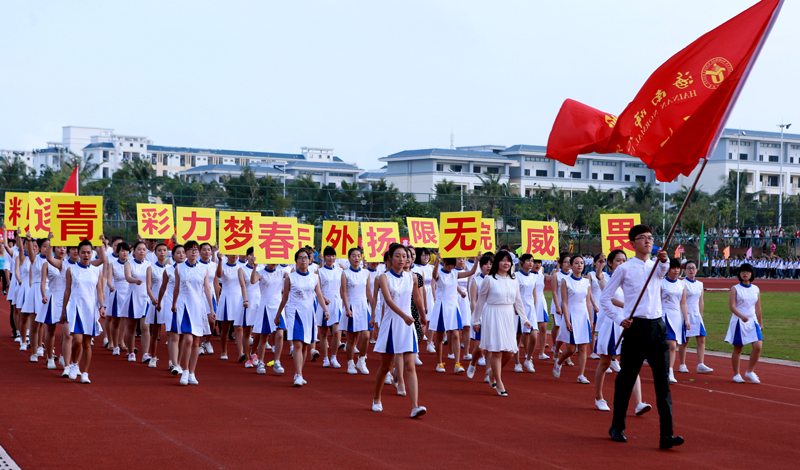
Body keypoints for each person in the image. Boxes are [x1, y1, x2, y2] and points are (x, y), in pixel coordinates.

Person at [601, 225, 683, 450]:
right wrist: (620, 319)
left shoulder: (657, 265)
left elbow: (663, 270)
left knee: (662, 383)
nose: (648, 241)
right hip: (635, 328)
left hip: (657, 327)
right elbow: (605, 299)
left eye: (650, 238)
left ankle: (666, 435)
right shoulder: (624, 269)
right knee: (626, 379)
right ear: (632, 243)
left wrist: (664, 259)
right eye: (642, 238)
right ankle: (617, 426)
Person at [593, 249, 651, 415]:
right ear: (610, 264)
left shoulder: (631, 281)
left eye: (624, 260)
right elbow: (608, 297)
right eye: (618, 260)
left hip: (629, 326)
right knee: (604, 364)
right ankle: (599, 397)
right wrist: (627, 307)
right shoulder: (607, 280)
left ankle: (639, 402)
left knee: (633, 364)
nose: (622, 263)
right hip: (612, 325)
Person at [372, 243, 427, 417]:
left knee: (410, 365)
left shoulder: (412, 277)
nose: (402, 259)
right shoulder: (384, 277)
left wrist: (422, 314)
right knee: (386, 366)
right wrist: (404, 316)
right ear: (390, 258)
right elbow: (388, 300)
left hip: (408, 324)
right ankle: (377, 398)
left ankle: (415, 406)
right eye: (398, 256)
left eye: (405, 256)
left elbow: (417, 298)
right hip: (392, 324)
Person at [472, 250, 530, 396]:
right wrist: (476, 320)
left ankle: (492, 372)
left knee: (510, 352)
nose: (506, 263)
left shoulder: (514, 279)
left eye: (508, 260)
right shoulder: (489, 279)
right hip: (492, 314)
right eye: (503, 260)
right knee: (496, 352)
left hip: (509, 315)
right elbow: (480, 301)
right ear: (497, 262)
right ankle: (499, 382)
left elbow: (518, 300)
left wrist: (525, 319)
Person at [275, 248, 329, 387]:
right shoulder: (290, 278)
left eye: (305, 257)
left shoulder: (314, 277)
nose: (303, 260)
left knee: (305, 346)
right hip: (295, 312)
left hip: (309, 313)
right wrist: (278, 314)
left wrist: (325, 310)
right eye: (300, 258)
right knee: (298, 344)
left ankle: (299, 373)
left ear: (310, 259)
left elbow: (319, 295)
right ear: (296, 261)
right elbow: (285, 298)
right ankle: (298, 374)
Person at [61, 240, 107, 383]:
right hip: (75, 308)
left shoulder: (96, 271)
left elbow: (99, 291)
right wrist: (63, 311)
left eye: (89, 252)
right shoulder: (71, 270)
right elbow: (67, 291)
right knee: (77, 340)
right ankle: (74, 364)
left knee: (87, 343)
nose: (86, 255)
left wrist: (102, 306)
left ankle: (85, 372)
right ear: (78, 253)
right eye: (83, 252)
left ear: (92, 253)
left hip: (90, 309)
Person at [172, 240, 216, 385]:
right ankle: (184, 370)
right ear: (185, 252)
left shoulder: (204, 268)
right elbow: (177, 288)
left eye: (196, 250)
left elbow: (207, 289)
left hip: (199, 305)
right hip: (184, 304)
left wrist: (211, 308)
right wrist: (173, 304)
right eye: (190, 250)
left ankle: (192, 373)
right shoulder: (179, 267)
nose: (194, 252)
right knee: (188, 339)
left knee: (196, 341)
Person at [430, 256, 478, 373]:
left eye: (452, 264)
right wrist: (437, 261)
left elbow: (471, 272)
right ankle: (439, 363)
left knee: (456, 335)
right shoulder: (439, 273)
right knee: (440, 336)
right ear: (444, 262)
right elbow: (434, 275)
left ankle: (457, 363)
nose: (450, 266)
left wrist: (477, 260)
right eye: (448, 264)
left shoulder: (455, 273)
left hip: (453, 306)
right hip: (442, 306)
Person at [553, 255, 595, 384]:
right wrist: (566, 320)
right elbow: (564, 302)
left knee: (583, 348)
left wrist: (591, 319)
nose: (579, 265)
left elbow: (588, 302)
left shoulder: (586, 281)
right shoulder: (566, 281)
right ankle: (559, 362)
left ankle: (581, 375)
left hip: (583, 316)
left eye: (581, 263)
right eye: (576, 263)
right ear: (571, 265)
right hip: (571, 314)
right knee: (571, 348)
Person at [725, 263, 763, 384]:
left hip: (753, 321)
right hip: (739, 321)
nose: (745, 274)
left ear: (752, 274)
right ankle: (736, 374)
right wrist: (741, 316)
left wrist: (760, 323)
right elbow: (732, 306)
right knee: (738, 348)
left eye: (747, 272)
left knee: (758, 346)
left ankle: (750, 371)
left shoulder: (756, 289)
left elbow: (758, 308)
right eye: (742, 272)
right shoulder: (735, 289)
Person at [122, 241, 156, 363]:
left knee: (145, 327)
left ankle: (146, 353)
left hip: (145, 298)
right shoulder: (128, 264)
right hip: (133, 297)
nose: (142, 251)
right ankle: (131, 352)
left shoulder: (149, 264)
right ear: (134, 251)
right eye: (139, 249)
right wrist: (135, 281)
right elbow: (127, 277)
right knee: (131, 328)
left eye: (144, 249)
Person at [250, 261, 286, 374]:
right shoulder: (260, 273)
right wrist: (255, 266)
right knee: (264, 337)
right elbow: (252, 281)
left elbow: (295, 275)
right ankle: (260, 362)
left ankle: (277, 361)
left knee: (280, 335)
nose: (274, 262)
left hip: (278, 307)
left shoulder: (281, 272)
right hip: (265, 306)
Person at [341, 247, 373, 374]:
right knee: (351, 338)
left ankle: (361, 360)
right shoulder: (345, 273)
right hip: (352, 306)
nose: (356, 258)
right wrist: (347, 308)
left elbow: (368, 292)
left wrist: (373, 308)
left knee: (366, 336)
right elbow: (343, 293)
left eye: (358, 255)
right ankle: (350, 363)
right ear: (349, 258)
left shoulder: (366, 273)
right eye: (353, 256)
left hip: (364, 307)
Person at [677, 260, 713, 374]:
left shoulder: (700, 284)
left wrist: (701, 314)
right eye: (689, 268)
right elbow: (680, 301)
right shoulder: (681, 283)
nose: (691, 270)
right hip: (686, 314)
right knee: (685, 340)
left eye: (693, 268)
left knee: (701, 339)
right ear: (685, 270)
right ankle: (682, 364)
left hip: (697, 314)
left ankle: (701, 364)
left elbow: (701, 301)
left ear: (697, 269)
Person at [156, 244, 185, 375]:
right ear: (172, 255)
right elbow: (163, 287)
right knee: (173, 334)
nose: (181, 255)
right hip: (171, 304)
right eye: (178, 253)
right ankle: (175, 364)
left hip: (186, 304)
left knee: (183, 336)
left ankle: (176, 362)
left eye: (183, 252)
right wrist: (159, 302)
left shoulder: (191, 270)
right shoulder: (168, 270)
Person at [661, 258, 689, 384]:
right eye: (673, 268)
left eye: (678, 268)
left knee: (674, 345)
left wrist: (686, 320)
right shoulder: (661, 283)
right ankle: (667, 370)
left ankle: (669, 370)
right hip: (663, 315)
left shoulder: (682, 284)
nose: (676, 270)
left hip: (676, 316)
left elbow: (683, 303)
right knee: (670, 344)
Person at [316, 246, 344, 369]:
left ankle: (334, 357)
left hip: (337, 303)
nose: (331, 258)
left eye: (333, 256)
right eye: (328, 256)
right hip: (323, 303)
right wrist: (323, 298)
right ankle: (325, 358)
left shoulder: (340, 271)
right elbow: (317, 289)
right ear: (324, 257)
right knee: (323, 332)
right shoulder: (319, 271)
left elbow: (343, 289)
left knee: (337, 331)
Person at [466, 253, 493, 378]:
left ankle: (488, 373)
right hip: (481, 316)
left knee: (491, 347)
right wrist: (476, 318)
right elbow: (473, 301)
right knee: (479, 348)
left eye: (491, 264)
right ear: (481, 266)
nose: (488, 266)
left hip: (493, 315)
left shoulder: (495, 280)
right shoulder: (476, 280)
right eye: (486, 264)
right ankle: (473, 363)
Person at [215, 252, 245, 361]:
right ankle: (223, 351)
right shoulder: (222, 266)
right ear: (227, 255)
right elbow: (218, 275)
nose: (235, 255)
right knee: (225, 328)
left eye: (236, 253)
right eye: (232, 253)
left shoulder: (241, 267)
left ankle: (241, 352)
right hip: (227, 298)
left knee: (239, 327)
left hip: (239, 298)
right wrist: (220, 260)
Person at [145, 243, 169, 368]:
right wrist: (152, 298)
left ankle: (173, 361)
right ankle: (153, 357)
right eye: (159, 250)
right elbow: (148, 287)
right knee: (155, 332)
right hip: (155, 300)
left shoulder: (171, 268)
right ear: (155, 253)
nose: (162, 253)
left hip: (168, 301)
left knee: (171, 333)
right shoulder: (151, 268)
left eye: (164, 250)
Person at [105, 242, 130, 356]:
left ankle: (122, 340)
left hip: (129, 293)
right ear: (118, 252)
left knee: (126, 320)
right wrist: (110, 286)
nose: (124, 253)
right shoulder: (113, 264)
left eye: (126, 250)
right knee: (116, 321)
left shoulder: (131, 264)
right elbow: (109, 279)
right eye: (122, 250)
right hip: (117, 292)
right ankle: (115, 345)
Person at [238, 247, 261, 368]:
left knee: (259, 330)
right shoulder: (241, 269)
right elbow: (243, 286)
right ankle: (247, 358)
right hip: (247, 300)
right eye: (250, 255)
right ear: (247, 256)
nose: (253, 257)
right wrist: (245, 300)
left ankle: (253, 352)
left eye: (255, 255)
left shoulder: (262, 268)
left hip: (260, 300)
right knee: (246, 331)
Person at [551, 253, 574, 367]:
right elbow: (554, 292)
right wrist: (557, 306)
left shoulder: (572, 275)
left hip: (569, 306)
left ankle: (564, 354)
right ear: (560, 263)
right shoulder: (557, 275)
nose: (568, 264)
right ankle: (557, 348)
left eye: (570, 261)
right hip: (559, 303)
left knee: (567, 329)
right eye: (566, 261)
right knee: (558, 327)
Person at [515, 254, 537, 373]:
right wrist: (515, 307)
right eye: (528, 261)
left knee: (533, 336)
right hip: (519, 309)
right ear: (522, 262)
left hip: (531, 309)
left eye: (532, 261)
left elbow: (534, 294)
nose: (530, 263)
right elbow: (514, 293)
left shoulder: (534, 277)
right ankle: (517, 363)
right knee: (518, 338)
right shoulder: (516, 276)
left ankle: (528, 359)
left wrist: (534, 306)